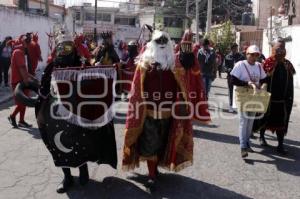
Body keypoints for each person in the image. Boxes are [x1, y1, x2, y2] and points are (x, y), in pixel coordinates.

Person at [35, 29, 117, 193]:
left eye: (68, 47)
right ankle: (67, 177)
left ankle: (83, 170)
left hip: (78, 113)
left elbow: (92, 85)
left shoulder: (82, 64)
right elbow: (43, 91)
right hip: (56, 116)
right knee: (59, 146)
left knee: (82, 143)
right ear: (57, 48)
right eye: (61, 47)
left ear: (73, 47)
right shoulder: (52, 66)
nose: (64, 51)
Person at [122, 29, 201, 191]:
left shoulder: (175, 63)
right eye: (159, 42)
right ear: (153, 44)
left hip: (169, 113)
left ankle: (155, 169)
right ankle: (151, 175)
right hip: (149, 112)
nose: (163, 45)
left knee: (163, 143)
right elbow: (136, 89)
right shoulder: (144, 64)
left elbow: (187, 72)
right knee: (151, 143)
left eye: (165, 42)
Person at [253, 38, 295, 154]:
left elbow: (290, 83)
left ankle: (280, 145)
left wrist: (289, 98)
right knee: (264, 119)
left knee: (281, 123)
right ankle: (262, 136)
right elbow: (262, 79)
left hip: (282, 101)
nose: (281, 51)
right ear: (273, 48)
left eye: (283, 48)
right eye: (278, 48)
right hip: (268, 99)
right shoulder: (267, 63)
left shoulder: (288, 65)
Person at [230, 45, 267, 158]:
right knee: (243, 121)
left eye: (256, 55)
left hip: (255, 97)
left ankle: (247, 143)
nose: (254, 57)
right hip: (243, 96)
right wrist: (247, 84)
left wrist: (263, 86)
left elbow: (264, 79)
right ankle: (243, 147)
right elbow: (232, 80)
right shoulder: (240, 65)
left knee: (250, 121)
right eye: (252, 54)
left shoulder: (259, 66)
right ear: (247, 54)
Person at [7, 35, 36, 128]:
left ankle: (21, 121)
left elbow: (24, 69)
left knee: (24, 102)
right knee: (22, 102)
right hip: (18, 82)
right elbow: (22, 68)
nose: (28, 44)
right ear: (23, 43)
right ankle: (12, 116)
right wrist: (26, 80)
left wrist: (32, 77)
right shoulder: (19, 52)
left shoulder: (19, 52)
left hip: (21, 80)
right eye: (27, 42)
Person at [224, 43, 245, 113]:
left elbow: (244, 65)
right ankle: (231, 106)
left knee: (239, 91)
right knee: (231, 91)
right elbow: (224, 67)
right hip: (230, 77)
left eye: (236, 48)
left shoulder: (241, 56)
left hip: (239, 77)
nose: (235, 50)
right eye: (234, 48)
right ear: (231, 49)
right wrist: (230, 70)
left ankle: (238, 105)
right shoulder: (227, 57)